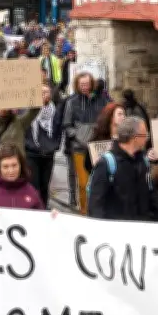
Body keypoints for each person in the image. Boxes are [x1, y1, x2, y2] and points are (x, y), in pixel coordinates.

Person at [87, 117, 156, 221]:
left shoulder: (143, 161)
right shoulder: (106, 164)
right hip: (117, 227)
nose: (147, 138)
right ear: (134, 138)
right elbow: (95, 205)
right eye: (145, 135)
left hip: (142, 225)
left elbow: (152, 196)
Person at [63, 72, 109, 215]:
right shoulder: (72, 102)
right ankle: (85, 212)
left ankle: (99, 211)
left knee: (100, 181)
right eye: (81, 84)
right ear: (77, 85)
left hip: (98, 147)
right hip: (79, 148)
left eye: (87, 84)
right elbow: (67, 125)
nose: (84, 87)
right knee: (83, 183)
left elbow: (108, 118)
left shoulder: (102, 100)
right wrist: (78, 136)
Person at [24, 83, 63, 206]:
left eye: (46, 92)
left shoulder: (55, 111)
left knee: (45, 184)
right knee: (33, 184)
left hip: (48, 153)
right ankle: (34, 207)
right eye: (41, 92)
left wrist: (54, 146)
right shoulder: (29, 112)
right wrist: (28, 145)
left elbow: (59, 129)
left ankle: (44, 206)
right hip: (32, 153)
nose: (44, 95)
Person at [83, 102, 125, 172]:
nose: (123, 117)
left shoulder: (126, 138)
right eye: (120, 114)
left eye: (124, 114)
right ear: (110, 116)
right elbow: (88, 165)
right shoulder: (98, 139)